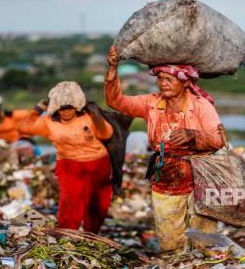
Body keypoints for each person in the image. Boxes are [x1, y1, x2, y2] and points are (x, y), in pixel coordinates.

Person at [104, 46, 224, 253]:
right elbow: (116, 101)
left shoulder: (201, 105)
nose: (163, 83)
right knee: (170, 239)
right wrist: (113, 68)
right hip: (167, 175)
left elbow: (218, 139)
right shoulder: (151, 103)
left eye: (169, 79)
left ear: (185, 81)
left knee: (204, 239)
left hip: (200, 176)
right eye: (159, 78)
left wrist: (193, 135)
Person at [18, 81, 114, 234]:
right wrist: (37, 109)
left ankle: (92, 233)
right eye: (62, 108)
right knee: (70, 202)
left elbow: (107, 134)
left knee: (97, 203)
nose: (66, 112)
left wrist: (97, 117)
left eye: (69, 108)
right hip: (69, 166)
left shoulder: (89, 117)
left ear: (76, 106)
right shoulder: (49, 123)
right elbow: (23, 128)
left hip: (98, 164)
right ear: (56, 108)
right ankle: (67, 235)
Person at [0, 95, 35, 167]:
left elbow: (26, 113)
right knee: (0, 158)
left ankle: (16, 166)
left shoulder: (9, 115)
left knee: (15, 151)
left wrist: (12, 113)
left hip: (16, 140)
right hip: (2, 142)